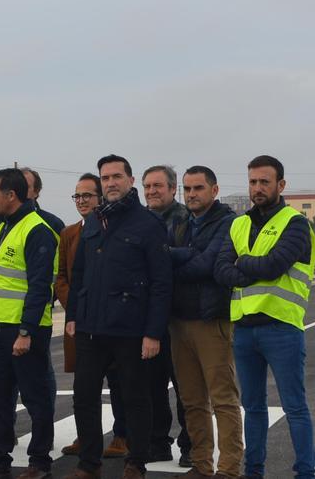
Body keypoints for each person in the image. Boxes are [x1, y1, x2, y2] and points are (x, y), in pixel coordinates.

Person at [63, 155, 171, 479]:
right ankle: (89, 464)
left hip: (131, 330)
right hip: (91, 328)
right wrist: (73, 315)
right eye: (105, 178)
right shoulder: (95, 221)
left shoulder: (148, 224)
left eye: (116, 177)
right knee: (84, 397)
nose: (110, 183)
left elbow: (161, 283)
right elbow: (79, 271)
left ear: (130, 181)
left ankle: (136, 463)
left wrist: (153, 333)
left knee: (136, 398)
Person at [214, 155, 315, 479]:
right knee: (253, 409)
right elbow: (220, 270)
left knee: (295, 408)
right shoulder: (238, 223)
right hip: (244, 330)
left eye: (264, 182)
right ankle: (253, 471)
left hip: (282, 328)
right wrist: (247, 268)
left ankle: (305, 473)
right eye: (253, 182)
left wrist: (241, 264)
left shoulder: (296, 223)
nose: (257, 188)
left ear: (280, 185)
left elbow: (275, 265)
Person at [0, 169, 58, 479]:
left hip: (24, 332)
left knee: (36, 399)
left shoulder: (37, 230)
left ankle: (39, 463)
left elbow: (39, 287)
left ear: (11, 196)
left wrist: (26, 332)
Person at [168, 166, 242, 479]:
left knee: (223, 399)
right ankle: (201, 464)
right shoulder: (182, 222)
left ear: (214, 190)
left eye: (198, 188)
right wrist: (183, 254)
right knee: (192, 400)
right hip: (179, 322)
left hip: (212, 321)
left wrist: (178, 257)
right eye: (187, 189)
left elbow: (207, 265)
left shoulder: (229, 222)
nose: (192, 194)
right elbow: (169, 258)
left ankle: (229, 469)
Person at [56, 173, 130, 459]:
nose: (82, 201)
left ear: (100, 198)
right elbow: (62, 276)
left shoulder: (112, 229)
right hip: (79, 321)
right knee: (84, 388)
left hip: (110, 321)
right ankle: (86, 438)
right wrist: (75, 307)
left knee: (117, 383)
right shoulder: (69, 233)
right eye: (78, 196)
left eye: (87, 195)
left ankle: (122, 435)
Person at [142, 165, 193, 466]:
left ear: (173, 189)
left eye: (158, 186)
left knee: (186, 387)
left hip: (180, 317)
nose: (151, 191)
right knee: (152, 387)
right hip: (148, 319)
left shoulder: (186, 219)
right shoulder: (140, 221)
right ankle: (158, 443)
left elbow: (190, 256)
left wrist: (156, 258)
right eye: (147, 186)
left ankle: (189, 444)